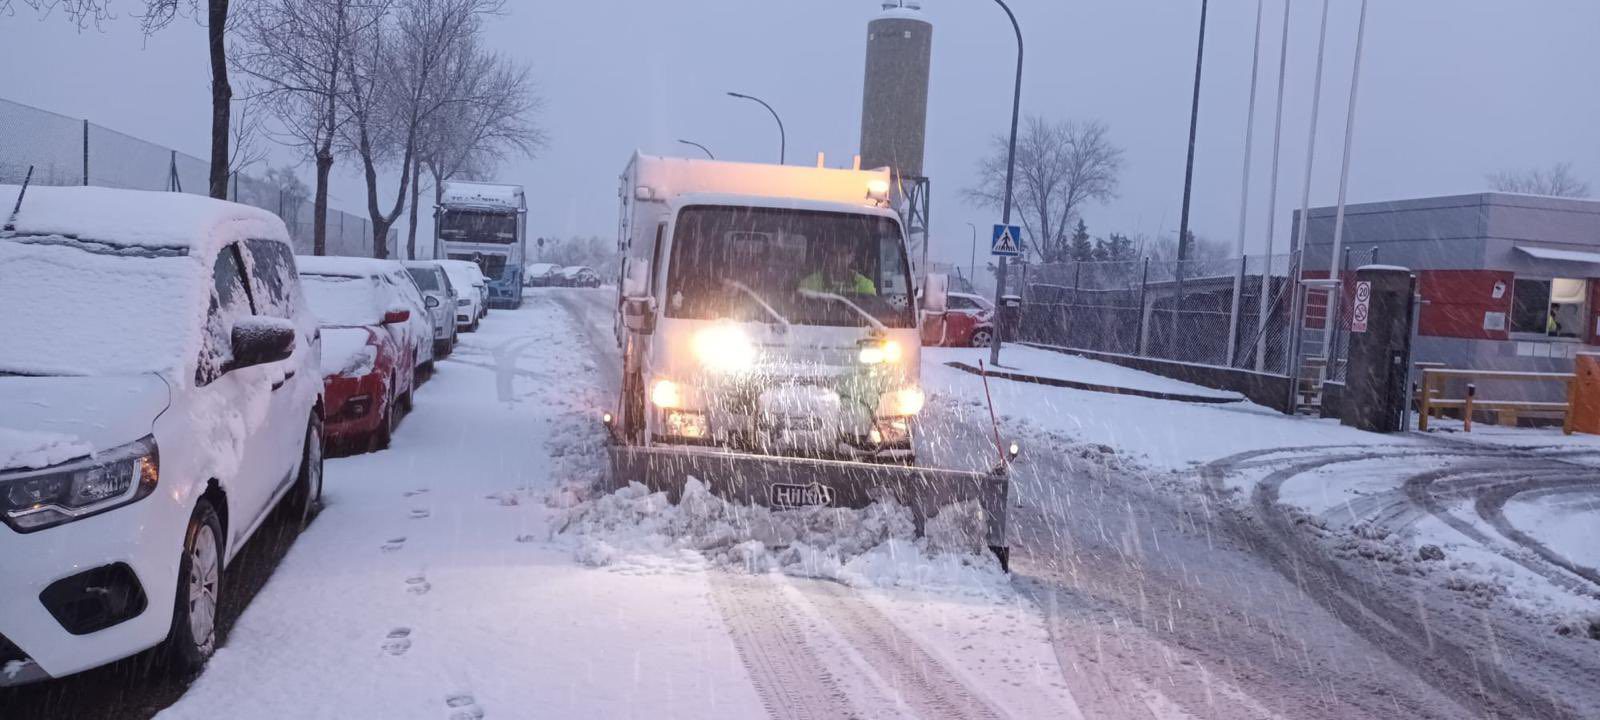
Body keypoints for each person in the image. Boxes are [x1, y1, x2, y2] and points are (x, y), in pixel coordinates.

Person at [798, 238, 875, 295]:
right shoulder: (808, 284)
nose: (837, 259)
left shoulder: (866, 286)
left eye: (842, 254)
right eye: (832, 254)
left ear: (852, 257)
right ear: (826, 256)